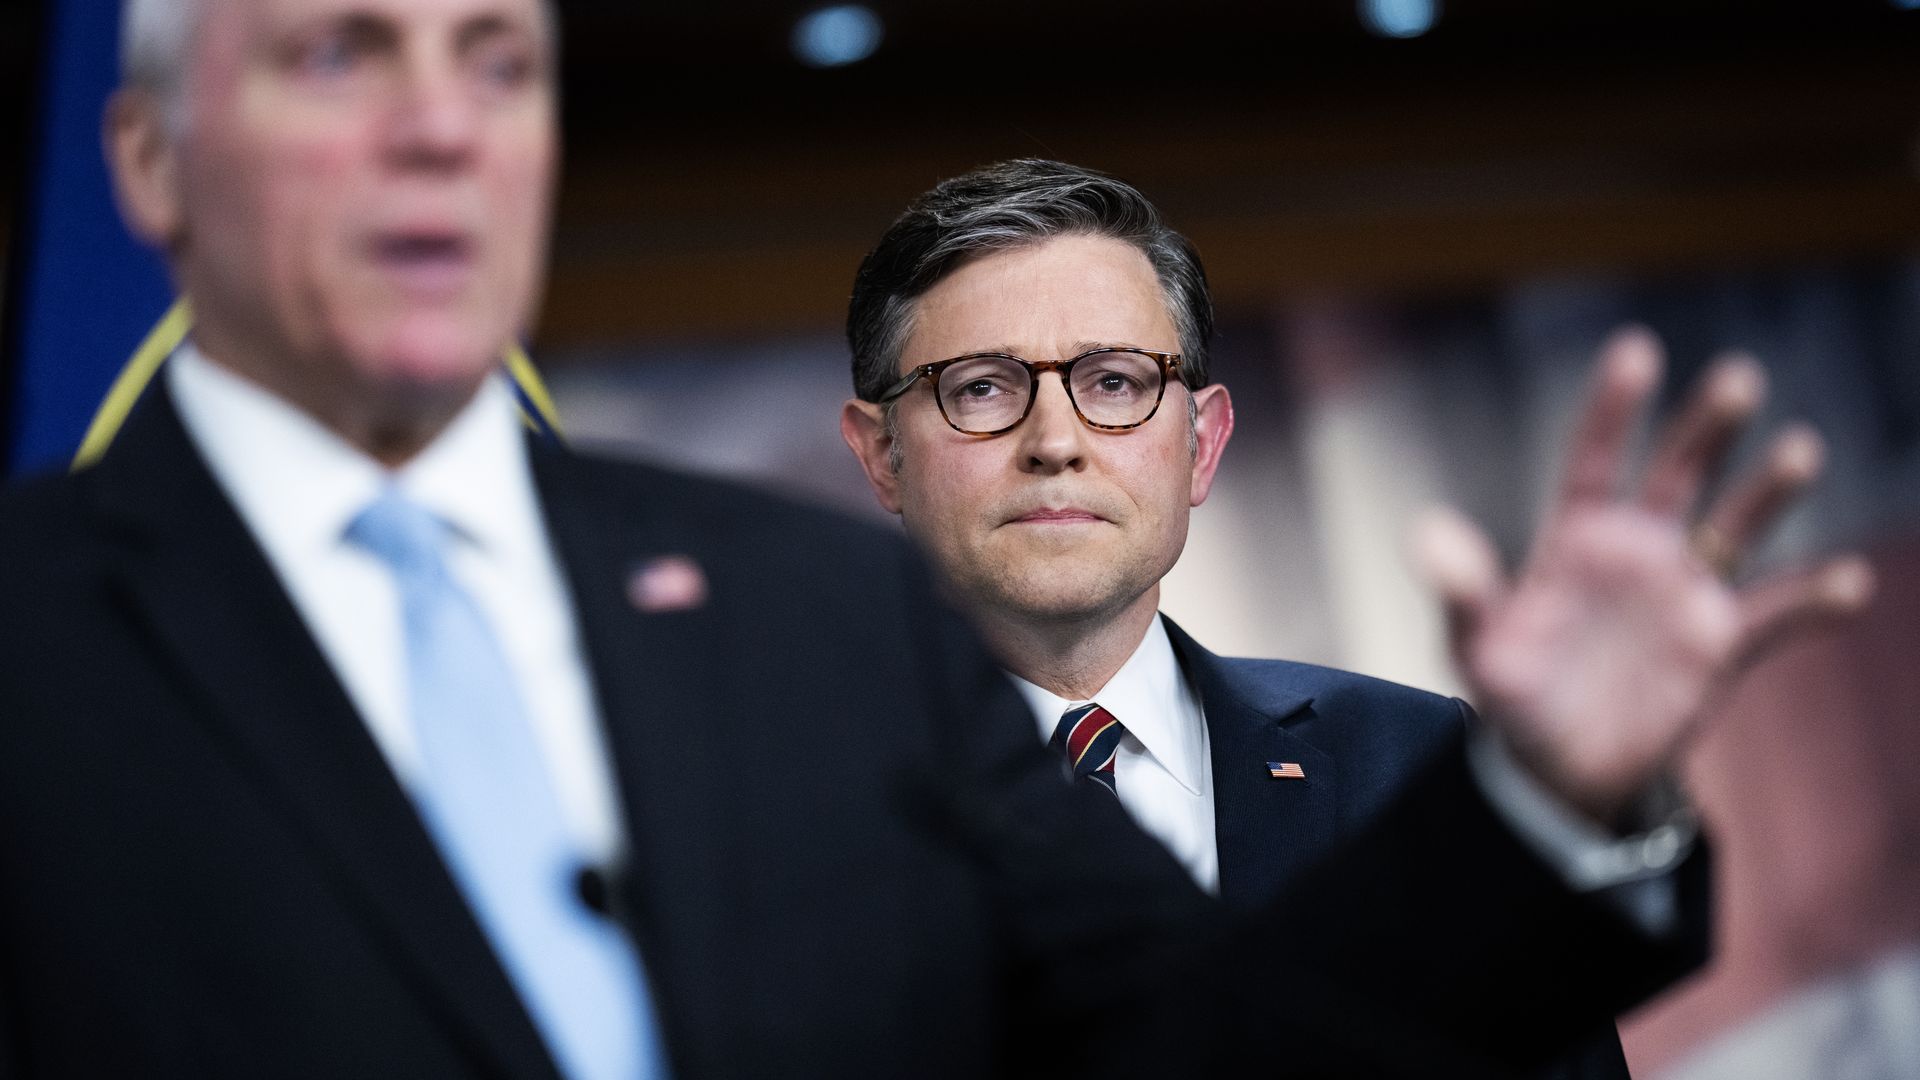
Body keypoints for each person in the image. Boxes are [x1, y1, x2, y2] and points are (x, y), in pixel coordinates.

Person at [0, 5, 1839, 1078]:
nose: (436, 131)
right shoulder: (30, 639)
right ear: (148, 161)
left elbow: (1200, 1057)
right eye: (339, 56)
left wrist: (1533, 812)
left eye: (497, 64)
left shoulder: (805, 618)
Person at [840, 160, 1877, 1075]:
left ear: (1202, 444)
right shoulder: (783, 820)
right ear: (882, 454)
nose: (1056, 440)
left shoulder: (1417, 767)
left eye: (1115, 381)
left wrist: (1566, 807)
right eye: (981, 390)